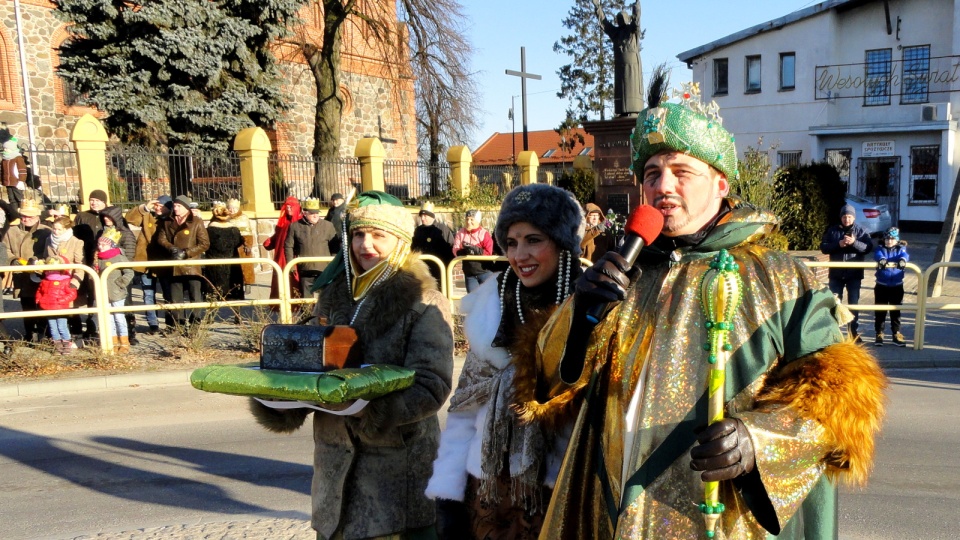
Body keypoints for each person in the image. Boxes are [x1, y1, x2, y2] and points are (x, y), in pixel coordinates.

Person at [533, 75, 887, 539]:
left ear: (720, 184)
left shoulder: (781, 279)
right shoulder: (624, 271)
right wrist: (580, 317)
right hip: (611, 503)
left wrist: (759, 440)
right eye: (652, 174)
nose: (663, 186)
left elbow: (838, 401)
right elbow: (551, 385)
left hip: (720, 517)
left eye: (682, 172)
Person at [250, 191, 454, 540]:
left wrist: (369, 408)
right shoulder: (334, 294)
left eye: (379, 235)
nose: (366, 244)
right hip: (334, 472)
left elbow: (432, 385)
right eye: (359, 234)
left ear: (401, 241)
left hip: (396, 472)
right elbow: (315, 363)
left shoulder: (425, 301)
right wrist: (282, 396)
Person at [426, 184, 585, 539]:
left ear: (562, 243)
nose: (520, 254)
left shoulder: (589, 308)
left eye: (534, 240)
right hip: (489, 493)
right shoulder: (488, 307)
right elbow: (464, 411)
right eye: (511, 242)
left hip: (561, 488)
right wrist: (448, 496)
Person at [156, 195, 210, 332]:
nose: (176, 208)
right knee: (176, 300)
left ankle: (194, 327)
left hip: (191, 266)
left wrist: (186, 253)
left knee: (195, 298)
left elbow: (204, 243)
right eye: (174, 205)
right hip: (175, 266)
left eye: (179, 206)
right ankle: (179, 327)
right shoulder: (168, 221)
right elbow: (161, 239)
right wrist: (172, 248)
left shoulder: (196, 222)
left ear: (186, 208)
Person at [820, 204, 874, 342]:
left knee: (853, 304)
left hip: (854, 275)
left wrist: (854, 243)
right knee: (833, 303)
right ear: (841, 217)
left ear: (854, 218)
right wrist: (839, 244)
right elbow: (824, 248)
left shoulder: (861, 231)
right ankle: (832, 333)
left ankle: (853, 332)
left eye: (849, 217)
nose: (847, 219)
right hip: (836, 275)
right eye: (844, 216)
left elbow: (868, 248)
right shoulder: (832, 231)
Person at [4, 199, 51, 341]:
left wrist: (40, 261)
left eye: (30, 216)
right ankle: (30, 334)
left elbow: (52, 251)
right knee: (27, 306)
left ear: (37, 216)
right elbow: (4, 249)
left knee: (43, 305)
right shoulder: (11, 231)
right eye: (24, 216)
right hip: (21, 276)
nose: (26, 219)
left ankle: (44, 334)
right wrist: (13, 260)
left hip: (40, 274)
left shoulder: (46, 231)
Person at [125, 195, 171, 334]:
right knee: (148, 294)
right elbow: (129, 218)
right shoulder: (147, 216)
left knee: (168, 294)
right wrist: (144, 207)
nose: (157, 208)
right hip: (146, 261)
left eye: (161, 205)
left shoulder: (172, 220)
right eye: (156, 205)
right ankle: (153, 324)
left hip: (165, 262)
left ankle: (171, 324)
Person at [593, 0, 643, 116]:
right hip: (620, 66)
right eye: (619, 18)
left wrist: (636, 5)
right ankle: (621, 111)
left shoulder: (632, 31)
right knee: (620, 89)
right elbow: (604, 23)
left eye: (623, 17)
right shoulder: (615, 33)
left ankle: (634, 111)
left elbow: (636, 20)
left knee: (632, 88)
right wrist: (597, 7)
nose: (620, 19)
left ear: (627, 19)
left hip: (632, 66)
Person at [73, 189, 108, 339]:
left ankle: (94, 325)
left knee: (97, 294)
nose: (94, 202)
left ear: (104, 202)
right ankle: (78, 324)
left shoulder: (109, 215)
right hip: (83, 259)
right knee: (83, 293)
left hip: (101, 260)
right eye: (92, 200)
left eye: (97, 200)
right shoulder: (82, 216)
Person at [285, 197, 337, 297]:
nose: (315, 215)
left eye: (317, 213)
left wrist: (333, 263)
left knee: (325, 299)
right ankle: (308, 313)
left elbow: (335, 246)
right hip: (305, 269)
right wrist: (290, 265)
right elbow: (288, 246)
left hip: (324, 269)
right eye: (312, 213)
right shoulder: (294, 226)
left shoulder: (328, 226)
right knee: (306, 298)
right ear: (304, 213)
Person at [95, 228, 134, 353]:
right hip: (103, 293)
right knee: (109, 319)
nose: (100, 247)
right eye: (99, 244)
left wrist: (120, 284)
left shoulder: (119, 257)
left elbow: (129, 272)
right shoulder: (98, 258)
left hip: (117, 293)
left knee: (119, 317)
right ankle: (113, 342)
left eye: (104, 244)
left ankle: (124, 342)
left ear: (111, 245)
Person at [35, 256, 79, 354]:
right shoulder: (45, 281)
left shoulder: (66, 281)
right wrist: (39, 299)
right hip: (48, 306)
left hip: (61, 307)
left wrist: (61, 300)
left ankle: (67, 344)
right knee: (53, 327)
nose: (51, 271)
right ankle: (58, 345)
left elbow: (72, 294)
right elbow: (40, 291)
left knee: (62, 326)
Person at [874, 227, 909, 347]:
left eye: (892, 239)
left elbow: (905, 254)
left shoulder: (900, 249)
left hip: (897, 285)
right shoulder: (880, 248)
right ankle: (879, 333)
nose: (889, 241)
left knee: (896, 311)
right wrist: (882, 259)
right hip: (881, 285)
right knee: (880, 311)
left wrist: (903, 260)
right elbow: (877, 254)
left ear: (897, 240)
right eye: (887, 239)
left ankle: (896, 333)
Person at [263, 196, 302, 304]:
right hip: (280, 258)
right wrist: (269, 242)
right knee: (280, 282)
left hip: (292, 258)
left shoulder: (300, 223)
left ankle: (295, 307)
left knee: (293, 282)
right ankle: (281, 305)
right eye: (287, 206)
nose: (288, 209)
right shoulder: (283, 223)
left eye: (291, 206)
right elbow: (278, 238)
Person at [204, 201, 245, 301]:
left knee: (214, 295)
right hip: (232, 266)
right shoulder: (234, 230)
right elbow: (239, 242)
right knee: (234, 295)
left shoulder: (209, 231)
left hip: (214, 266)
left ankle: (210, 315)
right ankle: (237, 315)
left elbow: (205, 245)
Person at [411, 201, 455, 286]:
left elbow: (450, 248)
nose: (423, 218)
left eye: (425, 216)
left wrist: (445, 265)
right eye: (421, 216)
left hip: (440, 269)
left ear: (431, 216)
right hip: (423, 270)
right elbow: (413, 248)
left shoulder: (442, 229)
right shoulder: (418, 231)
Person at [453, 209, 494, 293]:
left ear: (477, 221)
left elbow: (489, 252)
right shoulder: (461, 233)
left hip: (484, 272)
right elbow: (455, 249)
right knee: (473, 300)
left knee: (487, 299)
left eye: (472, 219)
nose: (469, 222)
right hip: (470, 274)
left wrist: (476, 250)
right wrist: (462, 252)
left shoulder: (483, 233)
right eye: (467, 219)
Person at [226, 198, 257, 293]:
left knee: (246, 267)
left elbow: (247, 234)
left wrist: (248, 245)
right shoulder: (226, 219)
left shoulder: (243, 218)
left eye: (234, 208)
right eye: (230, 208)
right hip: (230, 247)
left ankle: (248, 284)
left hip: (241, 247)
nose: (232, 210)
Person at [1, 139, 27, 212]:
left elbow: (22, 170)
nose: (5, 149)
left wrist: (21, 181)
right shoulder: (4, 159)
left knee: (19, 198)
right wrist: (1, 181)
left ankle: (22, 211)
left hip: (16, 182)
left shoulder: (18, 158)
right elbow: (2, 171)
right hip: (8, 182)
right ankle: (15, 213)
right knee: (11, 199)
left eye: (6, 148)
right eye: (4, 148)